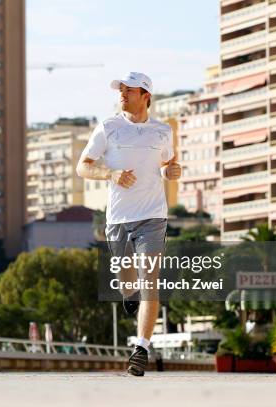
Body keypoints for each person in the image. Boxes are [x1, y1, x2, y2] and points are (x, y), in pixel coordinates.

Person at [75, 72, 182, 376]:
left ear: (145, 95)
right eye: (121, 89)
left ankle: (141, 349)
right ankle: (128, 295)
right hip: (119, 219)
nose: (122, 94)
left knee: (150, 281)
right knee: (128, 283)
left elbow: (165, 165)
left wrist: (170, 173)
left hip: (153, 216)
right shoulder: (109, 127)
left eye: (129, 90)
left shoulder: (162, 131)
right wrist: (110, 174)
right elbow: (83, 166)